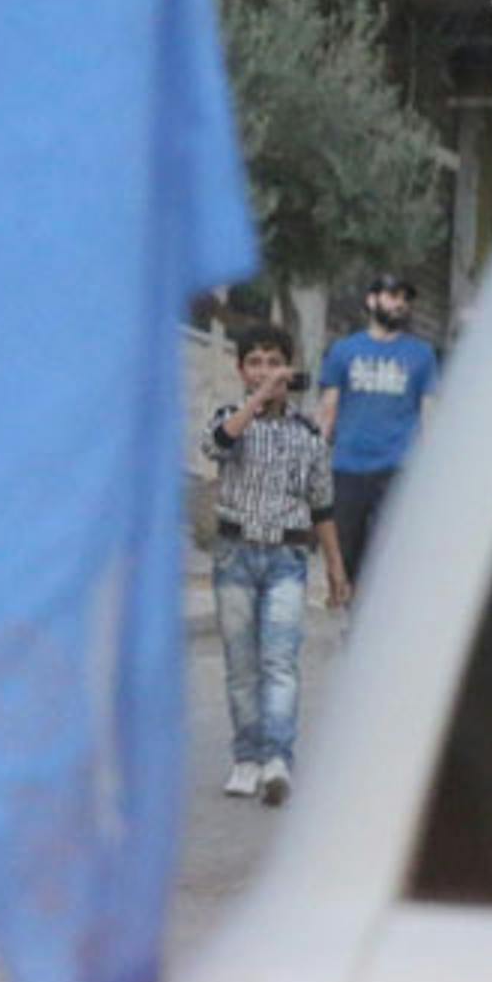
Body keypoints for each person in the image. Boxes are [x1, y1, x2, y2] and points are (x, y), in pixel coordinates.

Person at [203, 324, 346, 810]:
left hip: (287, 559)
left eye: (273, 362)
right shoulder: (229, 419)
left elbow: (322, 505)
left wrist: (336, 570)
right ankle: (245, 758)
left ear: (289, 367)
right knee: (242, 667)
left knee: (279, 662)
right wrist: (256, 401)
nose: (265, 371)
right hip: (234, 557)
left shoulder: (307, 436)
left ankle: (277, 760)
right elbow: (217, 445)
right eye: (255, 363)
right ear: (242, 370)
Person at [316, 272, 440, 594]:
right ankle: (354, 619)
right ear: (371, 300)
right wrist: (313, 458)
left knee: (388, 555)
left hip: (397, 467)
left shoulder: (422, 355)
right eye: (392, 295)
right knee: (346, 555)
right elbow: (329, 407)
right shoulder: (343, 351)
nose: (400, 304)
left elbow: (429, 411)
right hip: (348, 466)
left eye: (405, 298)